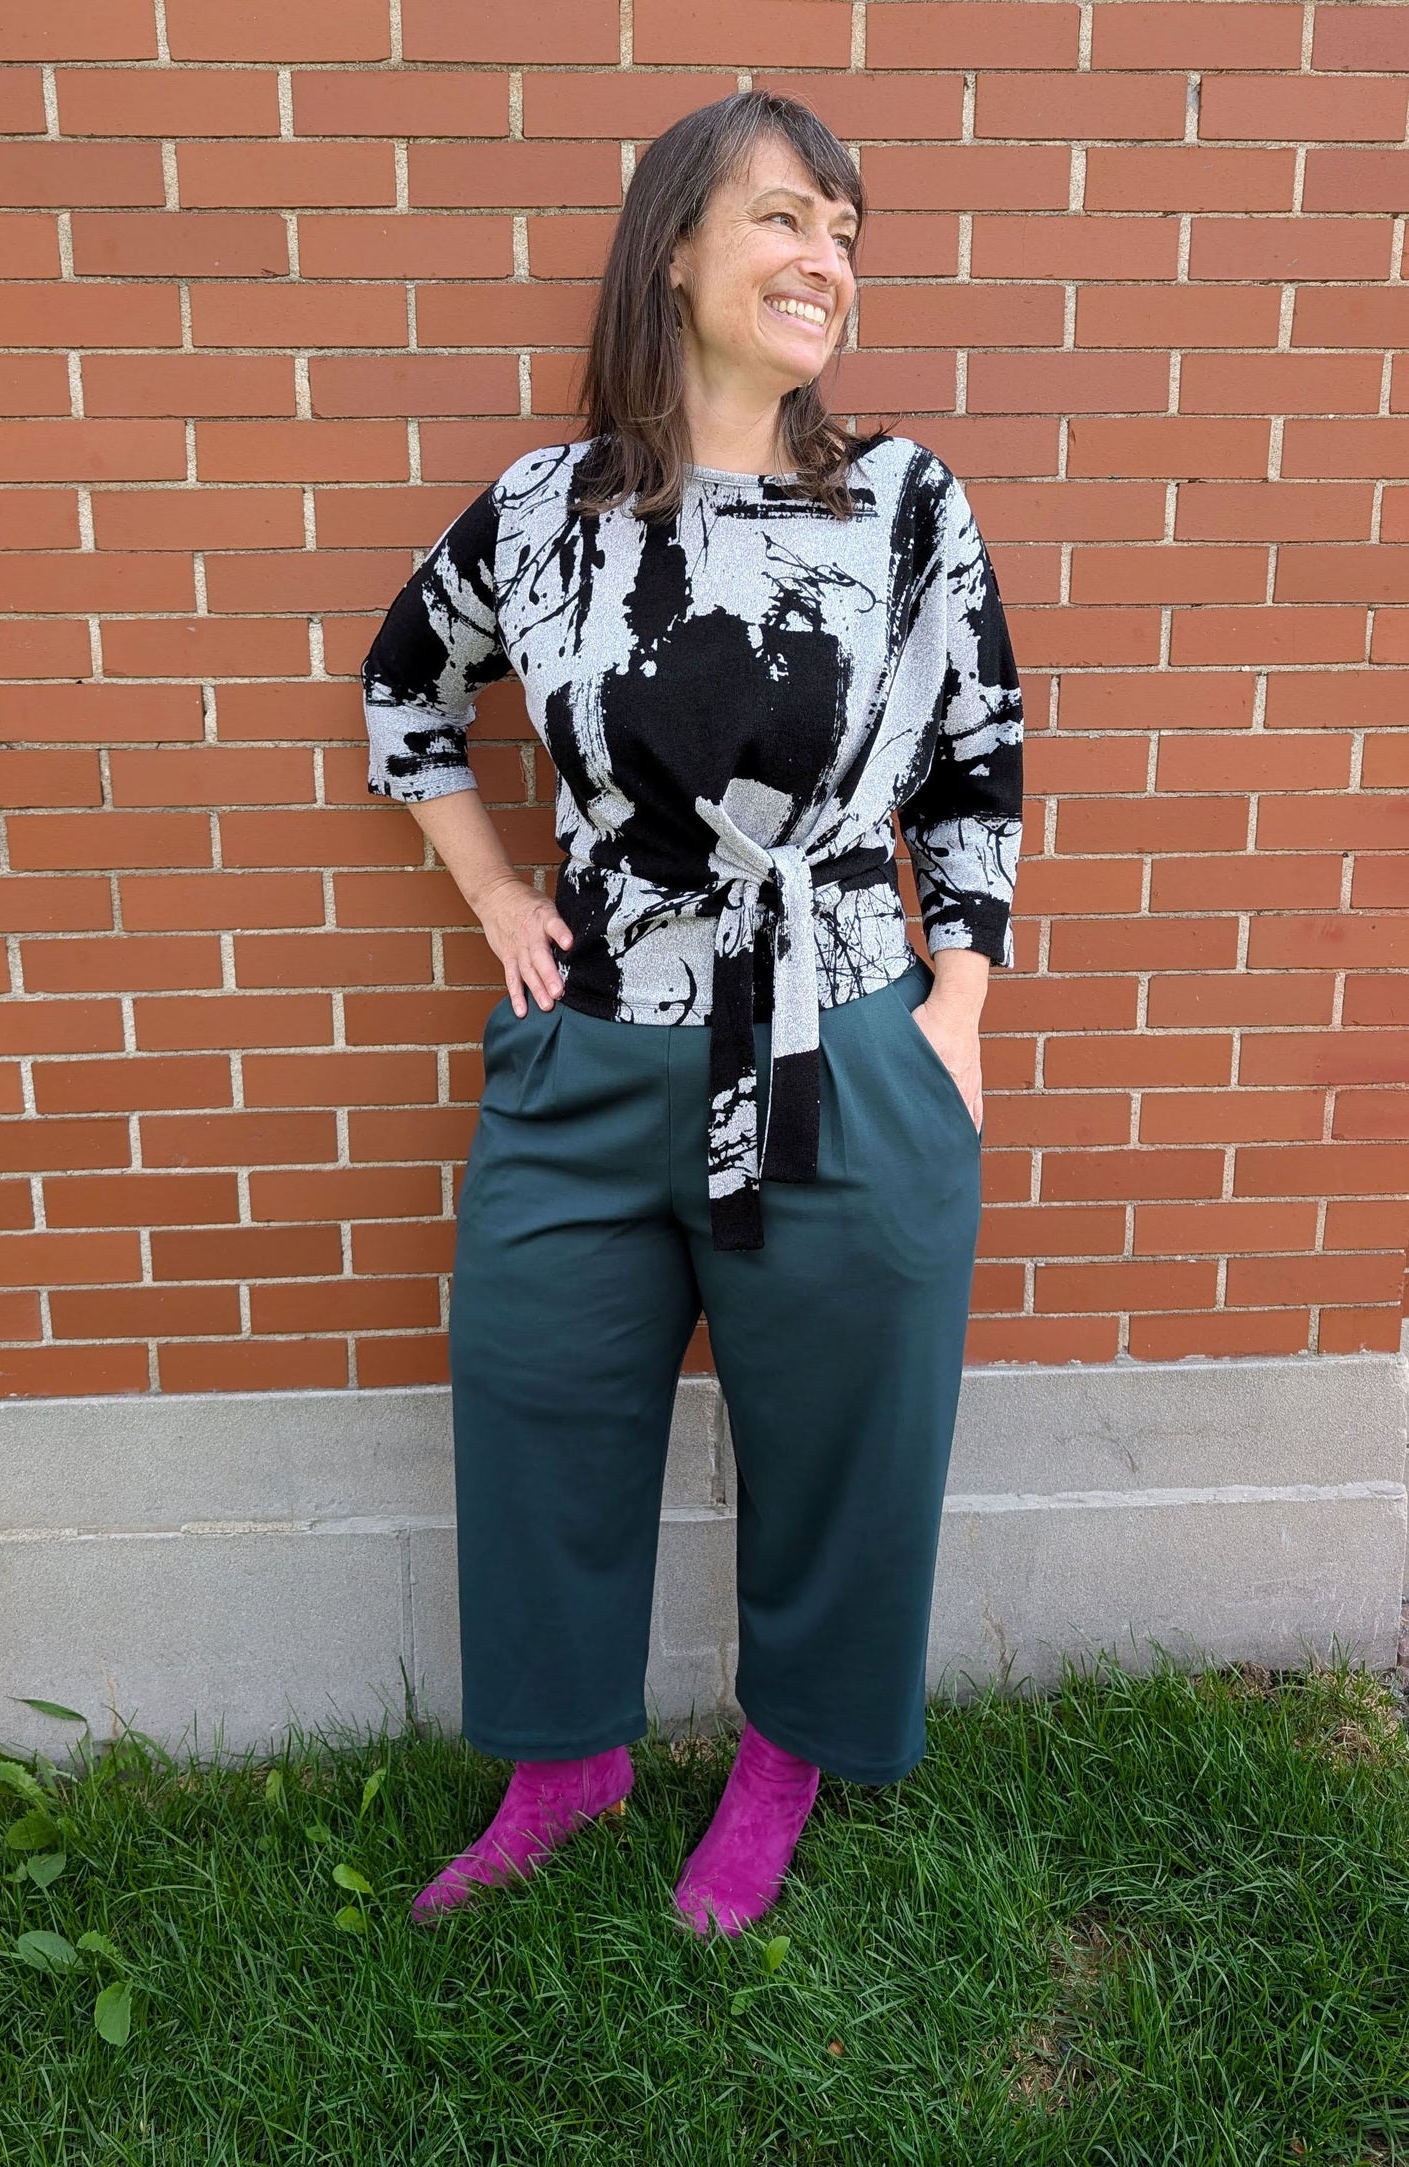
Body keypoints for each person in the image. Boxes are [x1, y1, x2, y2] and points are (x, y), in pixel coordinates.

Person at [359, 90, 1024, 1939]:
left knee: (842, 1437)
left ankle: (781, 1760)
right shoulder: (544, 512)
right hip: (591, 1055)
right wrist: (497, 890)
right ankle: (563, 1762)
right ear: (673, 248)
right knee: (535, 1396)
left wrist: (952, 1007)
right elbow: (407, 691)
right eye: (785, 221)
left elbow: (974, 766)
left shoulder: (903, 503)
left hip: (841, 1053)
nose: (824, 264)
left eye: (846, 237)